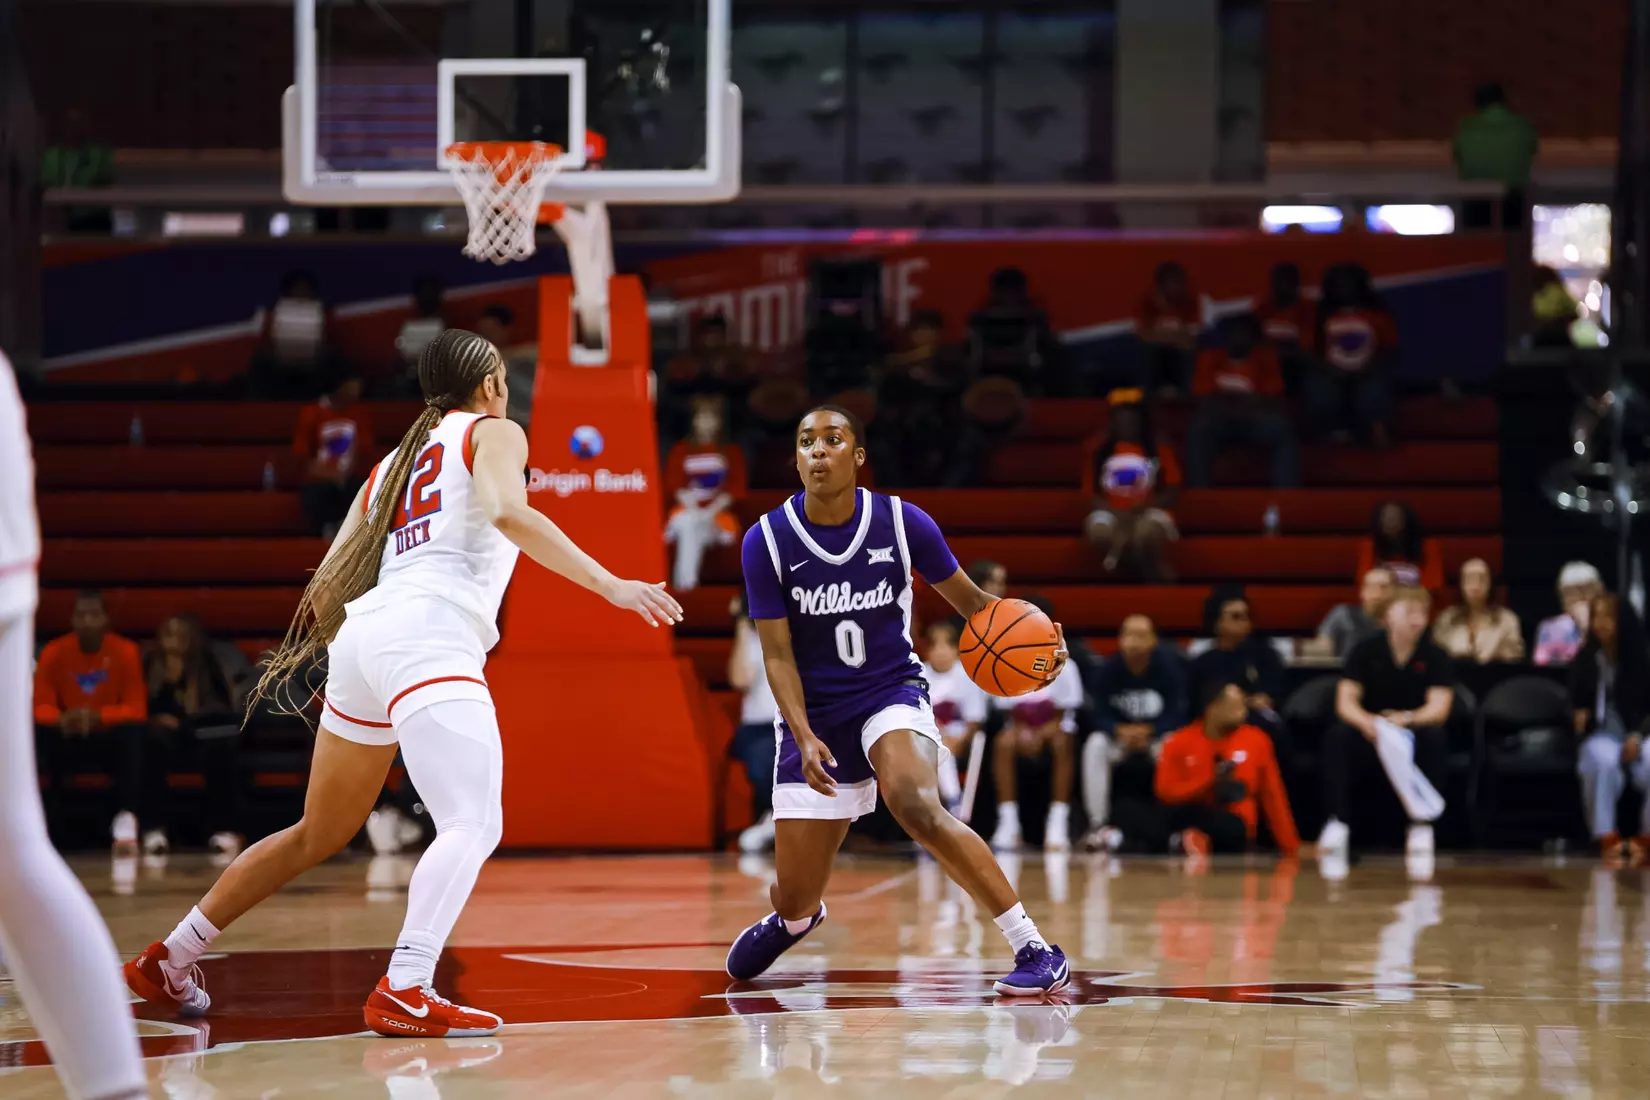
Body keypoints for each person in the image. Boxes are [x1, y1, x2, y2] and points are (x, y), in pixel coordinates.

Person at [124, 329, 682, 1036]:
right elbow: (509, 512)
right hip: (429, 630)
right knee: (473, 822)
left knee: (316, 832)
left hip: (364, 635)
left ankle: (170, 957)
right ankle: (407, 984)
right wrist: (612, 585)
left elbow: (326, 587)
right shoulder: (496, 431)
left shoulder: (390, 464)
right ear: (490, 385)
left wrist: (367, 653)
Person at [726, 405, 1072, 996]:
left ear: (858, 456)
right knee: (794, 893)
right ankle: (795, 919)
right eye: (806, 441)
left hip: (891, 689)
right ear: (796, 459)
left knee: (915, 802)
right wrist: (803, 733)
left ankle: (1034, 947)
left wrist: (1038, 648)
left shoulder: (903, 522)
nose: (817, 450)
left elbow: (977, 606)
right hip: (816, 713)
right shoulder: (767, 540)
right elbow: (777, 655)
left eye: (832, 439)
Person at [0, 348, 148, 1100]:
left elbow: (136, 709)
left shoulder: (120, 650)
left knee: (12, 848)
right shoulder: (63, 652)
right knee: (12, 848)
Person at [1318, 588, 1454, 857]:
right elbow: (1346, 702)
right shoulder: (1365, 650)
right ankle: (1338, 822)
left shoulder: (1436, 655)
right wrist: (1367, 722)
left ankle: (1422, 824)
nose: (1417, 620)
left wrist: (1407, 719)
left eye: (1422, 613)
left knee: (1435, 737)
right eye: (1410, 612)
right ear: (1389, 615)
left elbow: (1439, 708)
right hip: (1372, 733)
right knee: (1338, 737)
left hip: (1412, 732)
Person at [33, 589, 148, 850]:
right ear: (72, 619)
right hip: (67, 736)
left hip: (108, 737)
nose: (87, 621)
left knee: (134, 733)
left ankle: (126, 816)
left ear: (106, 619)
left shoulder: (126, 651)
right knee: (39, 733)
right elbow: (39, 706)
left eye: (94, 615)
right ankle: (48, 822)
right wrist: (63, 719)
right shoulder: (53, 651)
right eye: (81, 615)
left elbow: (136, 709)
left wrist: (98, 716)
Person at [1141, 680, 1300, 856]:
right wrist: (1209, 782)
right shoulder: (1178, 742)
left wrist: (1290, 846)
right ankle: (1184, 841)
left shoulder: (1257, 740)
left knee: (1233, 826)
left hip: (1233, 822)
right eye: (1235, 707)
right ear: (1212, 708)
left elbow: (1273, 795)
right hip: (1190, 812)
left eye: (1243, 706)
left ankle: (1193, 843)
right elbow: (1164, 792)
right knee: (1151, 818)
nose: (1243, 712)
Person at [1079, 615, 1189, 852]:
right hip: (1119, 738)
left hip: (1156, 737)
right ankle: (1097, 825)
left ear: (1154, 640)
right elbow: (1096, 712)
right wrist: (1118, 729)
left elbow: (1178, 712)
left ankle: (1175, 827)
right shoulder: (1107, 669)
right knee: (1095, 745)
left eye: (1141, 635)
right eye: (1128, 634)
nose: (1134, 642)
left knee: (1174, 745)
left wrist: (1151, 730)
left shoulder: (1169, 669)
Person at [988, 595, 1087, 853]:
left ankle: (1058, 820)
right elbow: (1010, 715)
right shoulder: (1004, 663)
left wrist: (1040, 734)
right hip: (1019, 732)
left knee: (1062, 742)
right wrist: (1023, 733)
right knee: (1003, 742)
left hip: (1053, 731)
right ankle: (1008, 821)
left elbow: (1063, 715)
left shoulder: (1066, 665)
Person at [143, 614, 243, 858]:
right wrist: (156, 720)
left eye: (181, 634)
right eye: (169, 633)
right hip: (164, 739)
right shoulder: (149, 664)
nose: (174, 639)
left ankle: (223, 830)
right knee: (150, 745)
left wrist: (188, 721)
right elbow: (140, 706)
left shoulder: (206, 664)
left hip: (201, 736)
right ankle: (154, 830)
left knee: (222, 749)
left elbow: (222, 707)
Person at [1570, 594, 1650, 863]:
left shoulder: (1642, 657)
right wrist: (1579, 715)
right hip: (1603, 734)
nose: (1600, 623)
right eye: (1596, 616)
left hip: (1640, 733)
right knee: (1601, 761)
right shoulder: (1586, 658)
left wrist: (1637, 736)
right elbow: (1574, 702)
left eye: (1608, 616)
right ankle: (1606, 838)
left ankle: (1646, 841)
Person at [1185, 314, 1300, 490]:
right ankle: (1199, 493)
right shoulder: (1209, 357)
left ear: (1253, 337)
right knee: (1200, 429)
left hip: (1254, 420)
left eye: (1244, 333)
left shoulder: (1266, 358)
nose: (1238, 338)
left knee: (1281, 428)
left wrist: (1231, 400)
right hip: (1221, 420)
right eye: (1234, 333)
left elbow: (1272, 399)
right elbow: (1203, 398)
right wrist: (1243, 402)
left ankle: (1286, 494)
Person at [1082, 389, 1181, 581]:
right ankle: (1150, 572)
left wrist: (1142, 508)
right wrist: (1115, 511)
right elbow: (1089, 494)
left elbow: (1172, 490)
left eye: (1132, 420)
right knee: (1099, 532)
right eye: (1121, 419)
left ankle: (1126, 569)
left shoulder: (1158, 448)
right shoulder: (1098, 451)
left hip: (1149, 510)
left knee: (1146, 533)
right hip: (1110, 511)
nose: (1126, 424)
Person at [1305, 264, 1397, 446]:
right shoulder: (1320, 316)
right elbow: (1308, 350)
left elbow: (1390, 349)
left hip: (1368, 371)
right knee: (1319, 388)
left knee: (1373, 389)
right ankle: (1331, 434)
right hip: (1330, 372)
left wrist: (1369, 368)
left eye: (1349, 283)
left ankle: (1376, 432)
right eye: (1339, 284)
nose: (1344, 288)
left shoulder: (1378, 316)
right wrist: (1329, 369)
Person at [663, 394, 747, 591]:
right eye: (702, 418)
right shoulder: (680, 450)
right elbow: (676, 487)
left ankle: (683, 589)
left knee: (693, 525)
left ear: (719, 422)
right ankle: (687, 587)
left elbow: (734, 489)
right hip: (685, 512)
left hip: (717, 517)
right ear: (694, 421)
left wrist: (708, 513)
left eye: (712, 418)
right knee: (689, 522)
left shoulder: (731, 452)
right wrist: (696, 511)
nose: (707, 423)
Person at [1189, 587, 1286, 734]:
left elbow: (1277, 693)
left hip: (1256, 723)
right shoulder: (1202, 663)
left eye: (1247, 616)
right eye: (1236, 617)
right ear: (1216, 622)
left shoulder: (1265, 655)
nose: (1244, 621)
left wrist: (1266, 699)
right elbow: (1196, 705)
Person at [293, 374, 375, 538]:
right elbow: (304, 458)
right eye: (353, 382)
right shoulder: (312, 413)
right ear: (340, 385)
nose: (358, 387)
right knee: (316, 494)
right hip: (321, 479)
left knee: (361, 489)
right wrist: (331, 475)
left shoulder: (360, 413)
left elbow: (362, 453)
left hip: (350, 478)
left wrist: (344, 475)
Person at [921, 619, 988, 816]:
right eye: (935, 645)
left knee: (942, 749)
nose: (941, 652)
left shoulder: (968, 676)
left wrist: (959, 740)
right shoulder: (918, 673)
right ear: (927, 650)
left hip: (960, 738)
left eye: (947, 645)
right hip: (926, 736)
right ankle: (948, 803)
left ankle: (949, 803)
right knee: (935, 747)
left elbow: (974, 721)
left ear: (957, 650)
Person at [729, 592, 780, 853]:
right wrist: (741, 622)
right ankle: (771, 819)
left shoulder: (802, 634)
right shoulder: (750, 636)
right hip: (758, 728)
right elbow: (740, 680)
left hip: (796, 724)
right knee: (764, 756)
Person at [1453, 82, 1537, 231]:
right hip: (1512, 198)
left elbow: (1457, 156)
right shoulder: (1522, 125)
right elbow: (1533, 150)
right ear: (1503, 101)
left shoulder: (1466, 127)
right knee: (1512, 240)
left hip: (1473, 199)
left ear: (1477, 102)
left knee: (1475, 241)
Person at [251, 269, 338, 399]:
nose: (301, 297)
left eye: (305, 294)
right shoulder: (274, 318)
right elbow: (265, 349)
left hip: (315, 374)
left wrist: (317, 350)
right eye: (296, 294)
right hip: (279, 375)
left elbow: (329, 347)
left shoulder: (324, 317)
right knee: (260, 364)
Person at [1431, 558, 1525, 664]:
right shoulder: (1446, 619)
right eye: (1469, 579)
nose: (1475, 586)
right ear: (1461, 585)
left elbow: (1514, 661)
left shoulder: (1507, 620)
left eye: (1482, 579)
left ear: (1490, 584)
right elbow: (1436, 658)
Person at [1136, 262, 1200, 395]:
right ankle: (1149, 398)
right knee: (1150, 353)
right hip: (1156, 353)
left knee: (1188, 354)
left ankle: (1185, 397)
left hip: (1180, 354)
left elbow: (1190, 340)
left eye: (1178, 282)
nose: (1174, 287)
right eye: (1170, 282)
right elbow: (1143, 336)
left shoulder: (1190, 302)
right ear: (1160, 285)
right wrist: (1175, 337)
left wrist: (1161, 336)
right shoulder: (1148, 302)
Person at [1304, 567, 1396, 661]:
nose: (1376, 593)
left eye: (1383, 587)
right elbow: (1323, 647)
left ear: (1393, 591)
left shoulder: (1400, 622)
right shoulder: (1343, 614)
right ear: (1362, 592)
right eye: (1370, 587)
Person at [1357, 500, 1443, 590]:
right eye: (1385, 518)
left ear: (1406, 520)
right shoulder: (1369, 546)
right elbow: (1364, 582)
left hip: (1418, 597)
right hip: (1380, 597)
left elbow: (1434, 584)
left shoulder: (1428, 546)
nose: (1390, 521)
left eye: (1395, 517)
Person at [1254, 262, 1314, 389]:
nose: (1281, 285)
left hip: (1298, 363)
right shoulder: (1262, 308)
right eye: (1277, 281)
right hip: (1268, 363)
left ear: (1296, 283)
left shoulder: (1307, 308)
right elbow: (1255, 341)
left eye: (1287, 280)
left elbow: (1307, 345)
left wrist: (1284, 350)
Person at [1534, 561, 1605, 666]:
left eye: (1586, 590)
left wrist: (1587, 628)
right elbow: (1541, 663)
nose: (1580, 597)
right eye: (1572, 592)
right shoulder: (1550, 628)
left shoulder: (1607, 624)